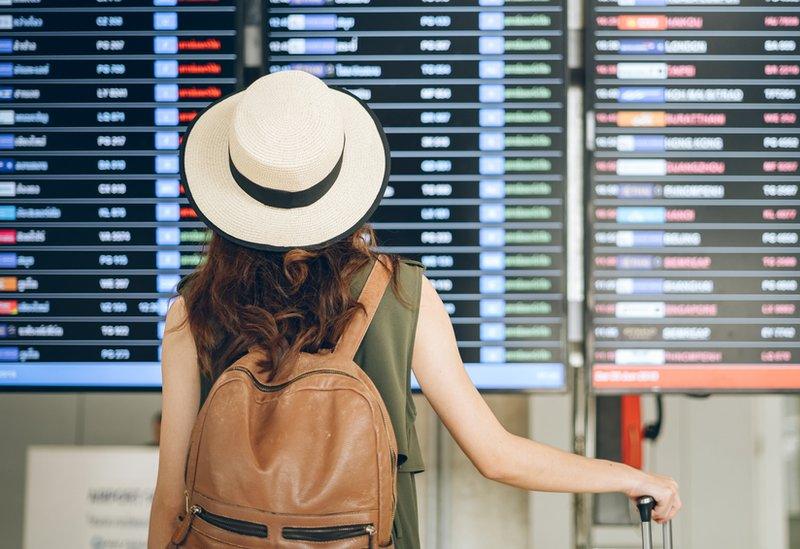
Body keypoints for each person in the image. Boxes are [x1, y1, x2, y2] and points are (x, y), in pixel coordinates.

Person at [147, 70, 680, 548]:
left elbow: (171, 498)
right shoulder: (401, 293)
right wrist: (632, 476)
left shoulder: (191, 311)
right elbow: (494, 454)